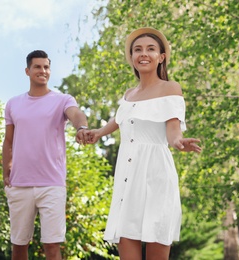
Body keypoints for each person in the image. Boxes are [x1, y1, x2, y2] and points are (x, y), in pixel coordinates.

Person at [84, 27, 202, 259]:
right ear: (131, 57)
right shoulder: (129, 94)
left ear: (161, 57)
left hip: (156, 176)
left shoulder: (170, 88)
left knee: (157, 236)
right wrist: (97, 133)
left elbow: (173, 131)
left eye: (150, 49)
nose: (143, 54)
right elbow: (119, 120)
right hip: (127, 178)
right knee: (126, 241)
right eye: (137, 50)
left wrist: (179, 142)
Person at [2, 50, 88, 260]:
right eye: (38, 67)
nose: (43, 71)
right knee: (19, 246)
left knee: (52, 247)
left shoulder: (62, 100)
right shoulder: (13, 103)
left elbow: (76, 114)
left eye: (46, 67)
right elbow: (8, 140)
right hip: (20, 184)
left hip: (52, 184)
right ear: (28, 71)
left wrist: (82, 127)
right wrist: (5, 171)